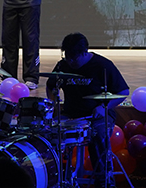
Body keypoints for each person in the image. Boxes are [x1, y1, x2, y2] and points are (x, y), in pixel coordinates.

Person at [46, 32, 129, 188]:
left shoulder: (103, 65)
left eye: (74, 58)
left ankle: (104, 182)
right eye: (67, 57)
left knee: (97, 135)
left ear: (84, 52)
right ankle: (55, 178)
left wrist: (103, 107)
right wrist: (53, 101)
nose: (70, 61)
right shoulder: (62, 65)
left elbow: (123, 92)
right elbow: (50, 86)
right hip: (70, 114)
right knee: (49, 132)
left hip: (98, 114)